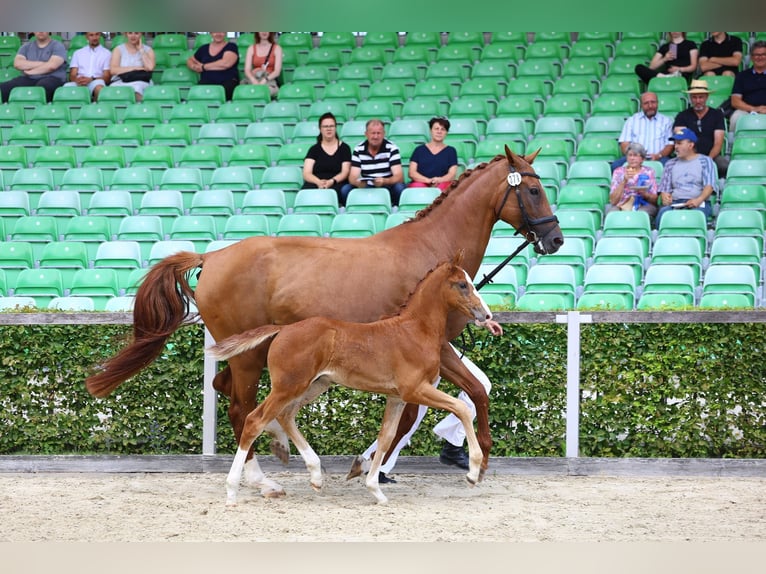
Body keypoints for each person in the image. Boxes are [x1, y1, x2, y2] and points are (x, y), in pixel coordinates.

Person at [360, 319, 504, 483]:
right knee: (410, 415)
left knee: (412, 414)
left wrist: (482, 320)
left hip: (436, 343)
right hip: (427, 345)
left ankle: (371, 463)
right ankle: (374, 464)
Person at [654, 127, 717, 229]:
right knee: (663, 214)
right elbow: (665, 189)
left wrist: (698, 200)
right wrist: (665, 196)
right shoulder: (670, 164)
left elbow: (709, 186)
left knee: (695, 217)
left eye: (679, 143)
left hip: (699, 202)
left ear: (691, 145)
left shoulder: (705, 161)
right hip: (675, 203)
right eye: (675, 143)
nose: (675, 147)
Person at [342, 119, 407, 207]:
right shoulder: (358, 149)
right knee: (346, 190)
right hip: (366, 186)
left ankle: (395, 210)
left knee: (400, 188)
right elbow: (353, 176)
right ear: (366, 134)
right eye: (373, 133)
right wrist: (358, 183)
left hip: (387, 185)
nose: (376, 136)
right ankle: (354, 211)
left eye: (379, 133)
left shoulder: (392, 148)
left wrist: (384, 181)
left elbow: (399, 177)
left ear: (384, 134)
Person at [673, 79, 728, 176]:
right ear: (690, 98)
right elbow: (681, 142)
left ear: (707, 97)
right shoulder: (682, 116)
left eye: (701, 97)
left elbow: (718, 143)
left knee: (724, 165)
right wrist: (693, 160)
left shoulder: (717, 115)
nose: (698, 101)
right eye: (694, 97)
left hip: (712, 156)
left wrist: (708, 160)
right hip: (688, 156)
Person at [612, 91, 674, 170]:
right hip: (635, 157)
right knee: (616, 166)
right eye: (646, 103)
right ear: (641, 105)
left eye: (653, 102)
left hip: (659, 157)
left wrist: (658, 156)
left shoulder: (666, 121)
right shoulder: (632, 120)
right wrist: (634, 156)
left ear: (658, 103)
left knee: (671, 167)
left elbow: (670, 145)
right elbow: (624, 144)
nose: (650, 106)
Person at [0, 32, 67, 103]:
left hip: (52, 78)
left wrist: (30, 71)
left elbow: (52, 66)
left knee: (42, 88)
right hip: (29, 78)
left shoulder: (57, 46)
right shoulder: (26, 47)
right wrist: (44, 64)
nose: (41, 31)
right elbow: (17, 64)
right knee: (4, 88)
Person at [301, 112, 352, 204]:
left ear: (335, 128)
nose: (329, 129)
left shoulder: (345, 148)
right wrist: (318, 182)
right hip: (316, 183)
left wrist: (331, 181)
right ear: (320, 129)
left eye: (331, 126)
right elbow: (306, 173)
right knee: (306, 192)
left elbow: (345, 172)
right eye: (325, 126)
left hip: (337, 183)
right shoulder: (314, 149)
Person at [607, 142, 659, 218]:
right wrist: (624, 181)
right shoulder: (618, 172)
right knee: (612, 213)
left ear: (642, 159)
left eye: (635, 155)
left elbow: (655, 200)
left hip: (643, 204)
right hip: (622, 204)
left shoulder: (649, 172)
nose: (632, 158)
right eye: (629, 155)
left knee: (641, 214)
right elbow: (613, 201)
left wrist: (645, 194)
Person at [408, 116, 459, 192]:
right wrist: (427, 180)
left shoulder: (451, 151)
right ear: (431, 130)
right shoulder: (419, 150)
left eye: (443, 129)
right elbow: (411, 173)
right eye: (436, 129)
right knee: (417, 188)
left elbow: (452, 174)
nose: (439, 132)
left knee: (445, 189)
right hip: (421, 182)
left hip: (442, 183)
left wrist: (439, 180)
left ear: (446, 133)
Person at [186, 32, 239, 101]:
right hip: (206, 82)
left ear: (225, 33)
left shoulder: (231, 46)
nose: (218, 34)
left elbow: (226, 63)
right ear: (211, 33)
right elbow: (190, 60)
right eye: (215, 32)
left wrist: (203, 67)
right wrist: (194, 67)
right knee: (198, 94)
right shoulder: (204, 48)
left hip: (227, 83)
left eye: (221, 32)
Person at [729, 40, 766, 132]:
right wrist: (754, 109)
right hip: (747, 110)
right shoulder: (742, 76)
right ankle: (733, 145)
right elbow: (735, 101)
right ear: (752, 57)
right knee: (735, 118)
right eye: (756, 55)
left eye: (763, 54)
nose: (760, 57)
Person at [63, 32, 111, 101]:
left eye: (97, 34)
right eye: (91, 35)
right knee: (65, 88)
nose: (94, 38)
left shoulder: (107, 54)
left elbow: (107, 77)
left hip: (96, 81)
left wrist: (91, 79)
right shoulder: (78, 53)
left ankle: (97, 109)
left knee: (99, 89)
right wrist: (78, 80)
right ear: (86, 37)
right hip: (79, 82)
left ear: (100, 35)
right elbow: (72, 75)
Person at [109, 32, 155, 102]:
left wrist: (141, 50)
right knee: (113, 89)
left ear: (141, 34)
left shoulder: (148, 50)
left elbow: (150, 68)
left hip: (140, 81)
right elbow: (113, 70)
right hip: (121, 81)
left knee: (137, 88)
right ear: (126, 34)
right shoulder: (118, 49)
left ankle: (137, 110)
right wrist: (135, 68)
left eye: (136, 33)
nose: (133, 36)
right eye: (130, 33)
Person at [244, 32, 282, 99]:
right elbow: (247, 70)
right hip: (255, 78)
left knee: (263, 92)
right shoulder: (251, 48)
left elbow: (277, 72)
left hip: (269, 79)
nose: (264, 32)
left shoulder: (277, 48)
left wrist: (265, 80)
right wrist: (253, 80)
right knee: (247, 92)